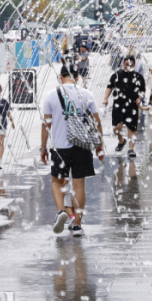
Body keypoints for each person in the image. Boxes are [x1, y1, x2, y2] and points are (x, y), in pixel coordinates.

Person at [41, 65, 103, 237]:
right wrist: (100, 145)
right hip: (81, 146)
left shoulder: (51, 95)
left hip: (60, 148)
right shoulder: (86, 94)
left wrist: (43, 148)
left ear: (61, 76)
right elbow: (97, 122)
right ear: (76, 77)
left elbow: (46, 124)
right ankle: (77, 225)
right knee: (79, 186)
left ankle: (61, 211)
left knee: (56, 182)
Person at [103, 55, 146, 158]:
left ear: (134, 64)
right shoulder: (116, 75)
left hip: (132, 105)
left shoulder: (138, 77)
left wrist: (140, 97)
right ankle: (121, 141)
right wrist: (105, 98)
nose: (128, 66)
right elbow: (109, 87)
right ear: (123, 63)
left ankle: (131, 149)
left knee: (132, 128)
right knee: (116, 128)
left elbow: (143, 90)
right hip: (118, 104)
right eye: (126, 64)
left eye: (130, 64)